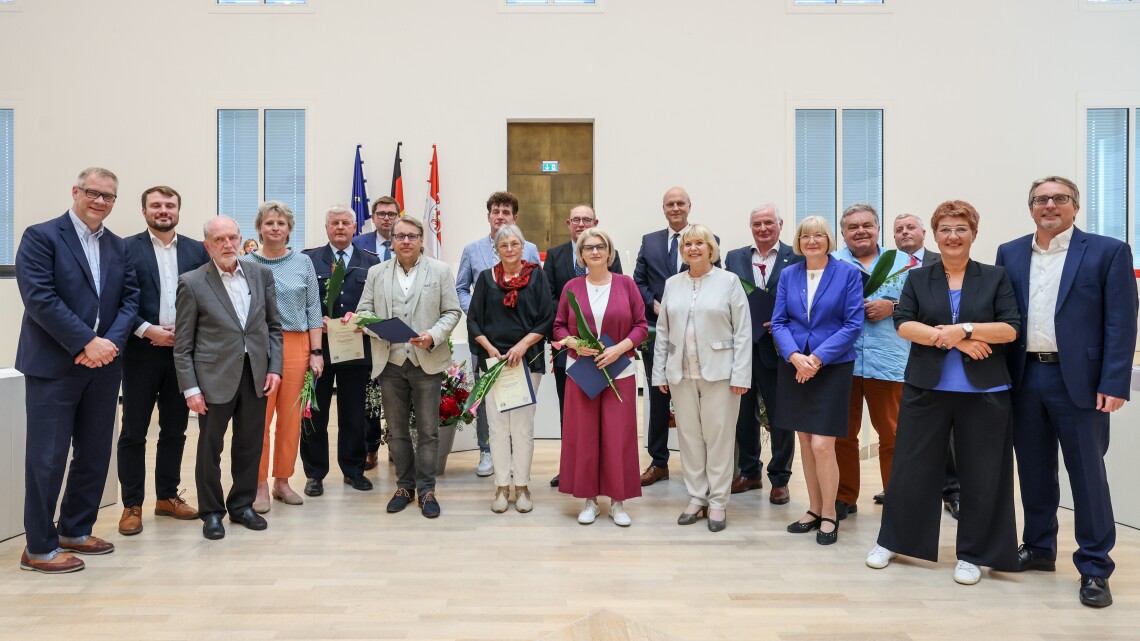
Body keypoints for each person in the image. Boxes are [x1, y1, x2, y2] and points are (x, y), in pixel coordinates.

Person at [997, 176, 1138, 608]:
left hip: (1081, 382)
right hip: (1025, 378)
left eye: (1059, 198)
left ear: (1076, 206)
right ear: (1031, 208)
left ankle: (1095, 567)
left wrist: (1115, 382)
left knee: (1088, 476)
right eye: (1041, 199)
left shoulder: (1108, 251)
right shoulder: (1011, 252)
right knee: (1034, 472)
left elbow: (1121, 322)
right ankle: (1039, 548)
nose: (1050, 205)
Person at [867, 200, 1020, 584]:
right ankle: (895, 540)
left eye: (961, 229)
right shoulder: (919, 278)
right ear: (935, 236)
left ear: (973, 234)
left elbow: (1009, 329)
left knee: (983, 474)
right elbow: (903, 323)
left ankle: (974, 553)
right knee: (911, 468)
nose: (953, 236)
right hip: (927, 387)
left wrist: (965, 330)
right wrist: (954, 340)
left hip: (984, 391)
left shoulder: (995, 276)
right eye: (946, 229)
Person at [15, 167, 140, 573]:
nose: (100, 201)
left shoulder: (118, 247)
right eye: (93, 193)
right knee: (47, 458)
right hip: (54, 365)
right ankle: (38, 547)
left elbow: (130, 301)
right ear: (76, 191)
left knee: (94, 453)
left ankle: (74, 528)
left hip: (103, 367)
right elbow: (40, 299)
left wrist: (108, 345)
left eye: (109, 196)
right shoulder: (42, 236)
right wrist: (87, 341)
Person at [176, 216, 282, 540]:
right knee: (210, 449)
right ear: (207, 245)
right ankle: (211, 512)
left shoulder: (261, 274)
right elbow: (183, 345)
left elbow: (274, 327)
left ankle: (241, 506)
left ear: (240, 239)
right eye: (219, 240)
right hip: (212, 380)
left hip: (255, 376)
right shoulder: (192, 282)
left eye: (232, 238)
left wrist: (275, 368)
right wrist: (190, 388)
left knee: (250, 445)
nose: (227, 245)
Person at [117, 185, 209, 536]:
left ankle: (167, 497)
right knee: (134, 431)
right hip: (141, 352)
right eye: (156, 205)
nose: (163, 210)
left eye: (169, 205)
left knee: (175, 428)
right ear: (144, 211)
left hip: (183, 355)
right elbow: (116, 299)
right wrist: (146, 329)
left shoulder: (195, 250)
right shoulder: (125, 248)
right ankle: (132, 504)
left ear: (178, 210)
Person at [355, 217, 462, 518]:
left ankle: (427, 490)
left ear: (420, 240)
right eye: (399, 236)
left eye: (411, 236)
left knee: (428, 431)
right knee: (398, 430)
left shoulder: (439, 271)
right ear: (391, 240)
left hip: (426, 361)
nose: (405, 241)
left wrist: (433, 336)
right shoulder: (377, 273)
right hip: (390, 362)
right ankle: (404, 486)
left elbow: (452, 311)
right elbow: (364, 312)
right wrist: (381, 329)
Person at [652, 224, 751, 533]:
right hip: (680, 373)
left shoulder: (729, 281)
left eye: (699, 243)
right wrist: (659, 372)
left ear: (711, 248)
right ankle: (697, 497)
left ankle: (718, 502)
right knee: (690, 438)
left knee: (719, 438)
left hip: (721, 374)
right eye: (688, 244)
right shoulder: (672, 284)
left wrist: (741, 375)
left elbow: (743, 332)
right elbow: (663, 332)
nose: (693, 248)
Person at [771, 217, 864, 545]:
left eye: (819, 235)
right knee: (806, 443)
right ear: (798, 240)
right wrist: (794, 355)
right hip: (795, 366)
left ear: (828, 240)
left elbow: (853, 324)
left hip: (832, 366)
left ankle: (829, 512)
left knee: (824, 445)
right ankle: (812, 509)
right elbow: (779, 321)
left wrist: (817, 358)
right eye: (806, 236)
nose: (812, 241)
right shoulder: (788, 274)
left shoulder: (848, 273)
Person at [553, 228, 647, 526]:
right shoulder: (571, 287)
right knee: (585, 435)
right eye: (588, 247)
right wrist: (573, 343)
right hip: (583, 371)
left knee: (618, 434)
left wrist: (619, 349)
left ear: (609, 252)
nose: (594, 251)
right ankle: (590, 500)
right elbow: (558, 328)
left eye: (600, 246)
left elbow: (641, 326)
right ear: (580, 255)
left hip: (619, 369)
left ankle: (618, 501)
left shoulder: (626, 284)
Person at [633, 187, 720, 487]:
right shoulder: (650, 241)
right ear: (663, 208)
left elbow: (715, 284)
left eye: (680, 203)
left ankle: (701, 464)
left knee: (698, 398)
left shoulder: (708, 240)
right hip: (657, 332)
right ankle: (659, 462)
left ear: (689, 206)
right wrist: (654, 304)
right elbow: (639, 281)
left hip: (698, 336)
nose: (675, 208)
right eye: (670, 204)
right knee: (658, 398)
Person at [832, 203, 914, 519]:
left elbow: (922, 304)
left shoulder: (903, 263)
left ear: (877, 228)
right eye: (852, 227)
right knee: (842, 433)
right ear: (843, 233)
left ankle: (896, 497)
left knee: (893, 434)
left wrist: (891, 307)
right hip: (843, 361)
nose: (860, 231)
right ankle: (843, 496)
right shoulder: (833, 263)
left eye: (866, 224)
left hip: (889, 359)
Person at [241, 201, 324, 512]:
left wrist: (316, 352)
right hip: (257, 347)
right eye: (269, 222)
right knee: (258, 420)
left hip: (296, 345)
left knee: (290, 420)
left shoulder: (303, 263)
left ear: (290, 229)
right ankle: (259, 482)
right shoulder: (244, 263)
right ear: (259, 228)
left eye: (281, 223)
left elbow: (313, 310)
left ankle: (283, 480)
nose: (275, 228)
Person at [467, 224, 554, 513]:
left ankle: (523, 486)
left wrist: (521, 347)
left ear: (523, 246)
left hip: (526, 361)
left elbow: (546, 318)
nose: (509, 249)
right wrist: (490, 349)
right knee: (497, 426)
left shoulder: (537, 276)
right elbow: (474, 321)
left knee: (522, 427)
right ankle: (502, 488)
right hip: (494, 362)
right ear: (497, 249)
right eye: (504, 245)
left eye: (514, 244)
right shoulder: (485, 278)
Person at [455, 192, 541, 478]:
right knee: (488, 402)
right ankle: (487, 450)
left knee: (518, 403)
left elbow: (537, 297)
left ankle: (517, 458)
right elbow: (461, 288)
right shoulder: (472, 249)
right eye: (496, 211)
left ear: (515, 217)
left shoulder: (529, 249)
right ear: (489, 215)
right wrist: (478, 315)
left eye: (506, 211)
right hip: (485, 339)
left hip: (522, 343)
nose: (500, 216)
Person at [724, 204, 803, 505]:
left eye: (769, 222)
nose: (763, 228)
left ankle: (780, 478)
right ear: (751, 227)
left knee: (781, 415)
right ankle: (749, 471)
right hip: (742, 348)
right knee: (743, 414)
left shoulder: (794, 257)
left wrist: (786, 322)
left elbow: (804, 298)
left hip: (779, 348)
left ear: (780, 225)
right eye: (757, 223)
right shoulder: (735, 257)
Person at [299, 205, 380, 497]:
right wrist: (312, 320)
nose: (340, 227)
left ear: (355, 227)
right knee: (313, 413)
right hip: (317, 349)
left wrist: (363, 320)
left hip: (354, 348)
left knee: (353, 414)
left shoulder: (370, 262)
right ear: (326, 228)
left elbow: (378, 305)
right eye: (335, 223)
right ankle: (314, 474)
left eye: (346, 223)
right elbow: (300, 301)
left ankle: (353, 470)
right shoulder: (308, 260)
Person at [542, 204, 624, 487]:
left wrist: (605, 342)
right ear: (568, 224)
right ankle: (572, 467)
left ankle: (606, 470)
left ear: (595, 221)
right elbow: (550, 299)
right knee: (573, 413)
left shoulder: (610, 259)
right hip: (571, 349)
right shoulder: (554, 256)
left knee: (610, 417)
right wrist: (574, 336)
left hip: (608, 350)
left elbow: (621, 302)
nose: (580, 223)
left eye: (586, 219)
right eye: (576, 220)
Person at [893, 213, 960, 519]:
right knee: (913, 432)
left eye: (910, 227)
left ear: (924, 232)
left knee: (949, 434)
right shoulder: (888, 264)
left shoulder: (943, 261)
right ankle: (915, 495)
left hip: (946, 355)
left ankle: (953, 491)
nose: (904, 232)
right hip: (899, 355)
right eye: (898, 230)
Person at [356, 196, 400, 470]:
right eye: (381, 213)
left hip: (401, 331)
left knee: (399, 394)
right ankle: (370, 447)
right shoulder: (358, 245)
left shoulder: (409, 242)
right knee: (370, 395)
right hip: (368, 334)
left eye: (391, 214)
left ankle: (398, 444)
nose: (386, 218)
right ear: (373, 217)